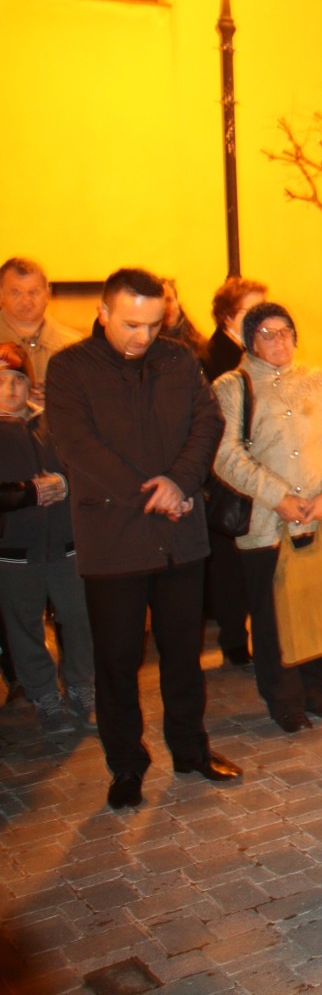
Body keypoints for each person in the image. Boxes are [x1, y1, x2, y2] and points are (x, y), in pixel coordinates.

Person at [45, 267, 242, 811]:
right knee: (117, 661)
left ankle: (191, 749)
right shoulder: (70, 368)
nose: (143, 336)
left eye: (154, 325)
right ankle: (127, 765)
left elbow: (207, 423)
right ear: (104, 313)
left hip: (180, 535)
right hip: (114, 540)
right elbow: (77, 445)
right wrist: (152, 493)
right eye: (131, 324)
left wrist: (180, 481)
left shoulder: (178, 360)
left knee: (183, 654)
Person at [211, 303, 322, 734]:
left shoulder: (317, 379)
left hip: (320, 516)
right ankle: (284, 701)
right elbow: (225, 455)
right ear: (249, 341)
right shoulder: (232, 386)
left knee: (317, 605)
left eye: (286, 332)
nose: (279, 341)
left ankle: (317, 693)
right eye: (268, 334)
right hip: (267, 522)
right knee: (274, 615)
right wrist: (279, 498)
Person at [0, 342, 94, 734]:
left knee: (79, 618)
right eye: (1, 381)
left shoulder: (52, 423)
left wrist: (65, 483)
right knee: (25, 627)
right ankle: (44, 697)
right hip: (14, 552)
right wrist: (29, 493)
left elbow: (88, 467)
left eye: (18, 380)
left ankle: (82, 688)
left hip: (67, 547)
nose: (10, 389)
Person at [201, 276, 268, 668]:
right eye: (251, 310)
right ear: (228, 316)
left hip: (261, 470)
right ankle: (233, 639)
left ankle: (256, 635)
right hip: (227, 476)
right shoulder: (214, 359)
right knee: (229, 565)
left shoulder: (258, 352)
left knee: (257, 560)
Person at [0, 257, 83, 407]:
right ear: (1, 294)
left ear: (47, 293)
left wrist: (60, 400)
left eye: (34, 292)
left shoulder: (75, 348)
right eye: (16, 292)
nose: (26, 301)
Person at [159, 278, 208, 358]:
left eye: (169, 300)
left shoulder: (198, 343)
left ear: (177, 302)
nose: (166, 307)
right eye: (161, 302)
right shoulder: (149, 345)